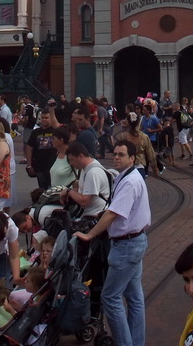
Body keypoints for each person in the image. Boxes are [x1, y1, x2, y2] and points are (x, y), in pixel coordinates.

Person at [75, 139, 152, 346]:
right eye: (115, 154)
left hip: (126, 246)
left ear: (132, 158)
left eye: (121, 155)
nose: (116, 157)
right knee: (135, 298)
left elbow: (113, 214)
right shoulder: (127, 176)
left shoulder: (129, 181)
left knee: (110, 297)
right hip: (135, 242)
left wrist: (90, 234)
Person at [61, 141, 110, 218]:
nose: (70, 163)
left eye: (72, 159)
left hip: (94, 216)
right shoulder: (87, 167)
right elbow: (87, 191)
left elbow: (84, 202)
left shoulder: (92, 173)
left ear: (81, 156)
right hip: (90, 214)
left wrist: (69, 191)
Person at [25, 109, 58, 190]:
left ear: (51, 118)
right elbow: (29, 148)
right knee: (42, 189)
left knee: (54, 189)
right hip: (40, 166)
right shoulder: (35, 132)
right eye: (42, 118)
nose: (44, 120)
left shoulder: (55, 131)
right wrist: (29, 165)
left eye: (46, 118)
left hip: (54, 166)